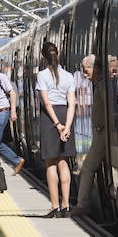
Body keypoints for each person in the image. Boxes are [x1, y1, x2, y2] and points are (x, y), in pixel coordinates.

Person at [36, 41, 75, 218]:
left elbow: (46, 102)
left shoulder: (42, 75)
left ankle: (55, 206)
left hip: (49, 118)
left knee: (50, 163)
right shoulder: (69, 75)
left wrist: (57, 125)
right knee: (64, 162)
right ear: (58, 54)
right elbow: (72, 103)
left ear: (44, 56)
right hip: (65, 114)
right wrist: (66, 125)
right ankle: (67, 205)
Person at [71, 55, 109, 218]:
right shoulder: (100, 85)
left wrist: (102, 124)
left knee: (87, 167)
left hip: (103, 133)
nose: (83, 73)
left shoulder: (101, 87)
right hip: (101, 132)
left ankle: (82, 204)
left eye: (85, 70)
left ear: (96, 69)